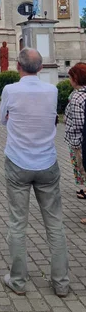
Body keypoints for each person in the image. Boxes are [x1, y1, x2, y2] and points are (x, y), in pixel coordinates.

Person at [0, 48, 69, 297]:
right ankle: (61, 282)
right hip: (47, 163)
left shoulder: (10, 90)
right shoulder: (51, 90)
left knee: (18, 223)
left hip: (18, 162)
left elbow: (3, 119)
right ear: (41, 68)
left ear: (18, 66)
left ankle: (17, 281)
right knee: (55, 224)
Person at [64, 62, 86, 216]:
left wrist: (78, 145)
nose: (69, 80)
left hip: (79, 142)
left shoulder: (77, 97)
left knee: (82, 169)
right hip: (81, 141)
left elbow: (79, 123)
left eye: (70, 77)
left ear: (76, 78)